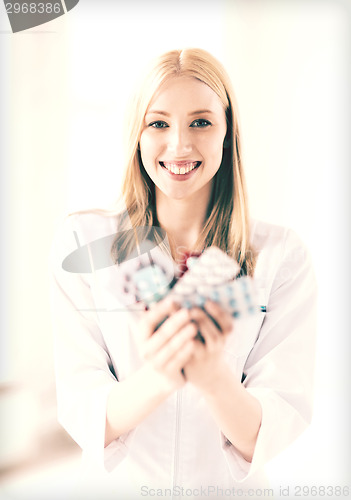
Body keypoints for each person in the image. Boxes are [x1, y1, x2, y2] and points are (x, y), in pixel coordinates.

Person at [50, 48, 317, 498]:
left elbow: (269, 431)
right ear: (137, 134)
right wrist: (162, 374)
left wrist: (212, 375)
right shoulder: (83, 241)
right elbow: (85, 412)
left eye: (201, 122)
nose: (178, 145)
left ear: (227, 131)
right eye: (158, 123)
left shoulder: (280, 255)